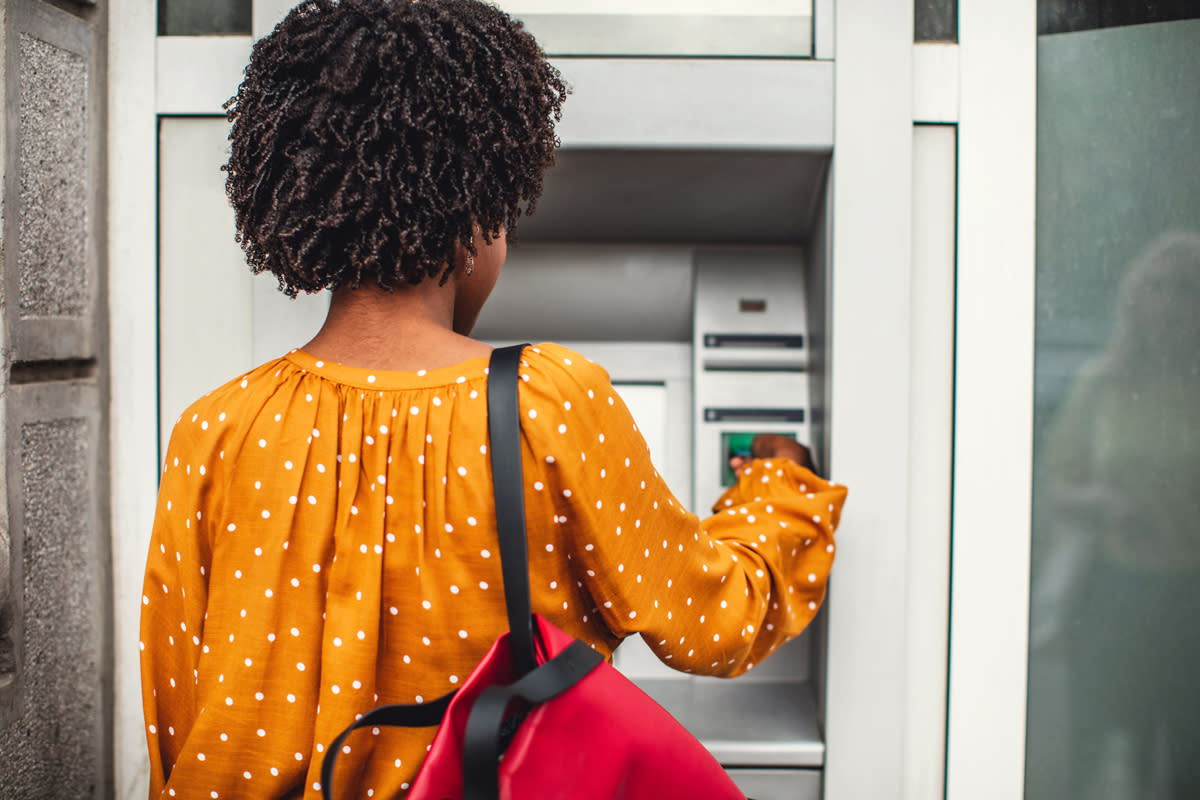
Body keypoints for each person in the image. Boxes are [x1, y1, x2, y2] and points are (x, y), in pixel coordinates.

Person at [138, 2, 847, 798]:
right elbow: (714, 623)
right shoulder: (545, 400)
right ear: (476, 212)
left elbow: (178, 714)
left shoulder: (216, 429)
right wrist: (784, 488)